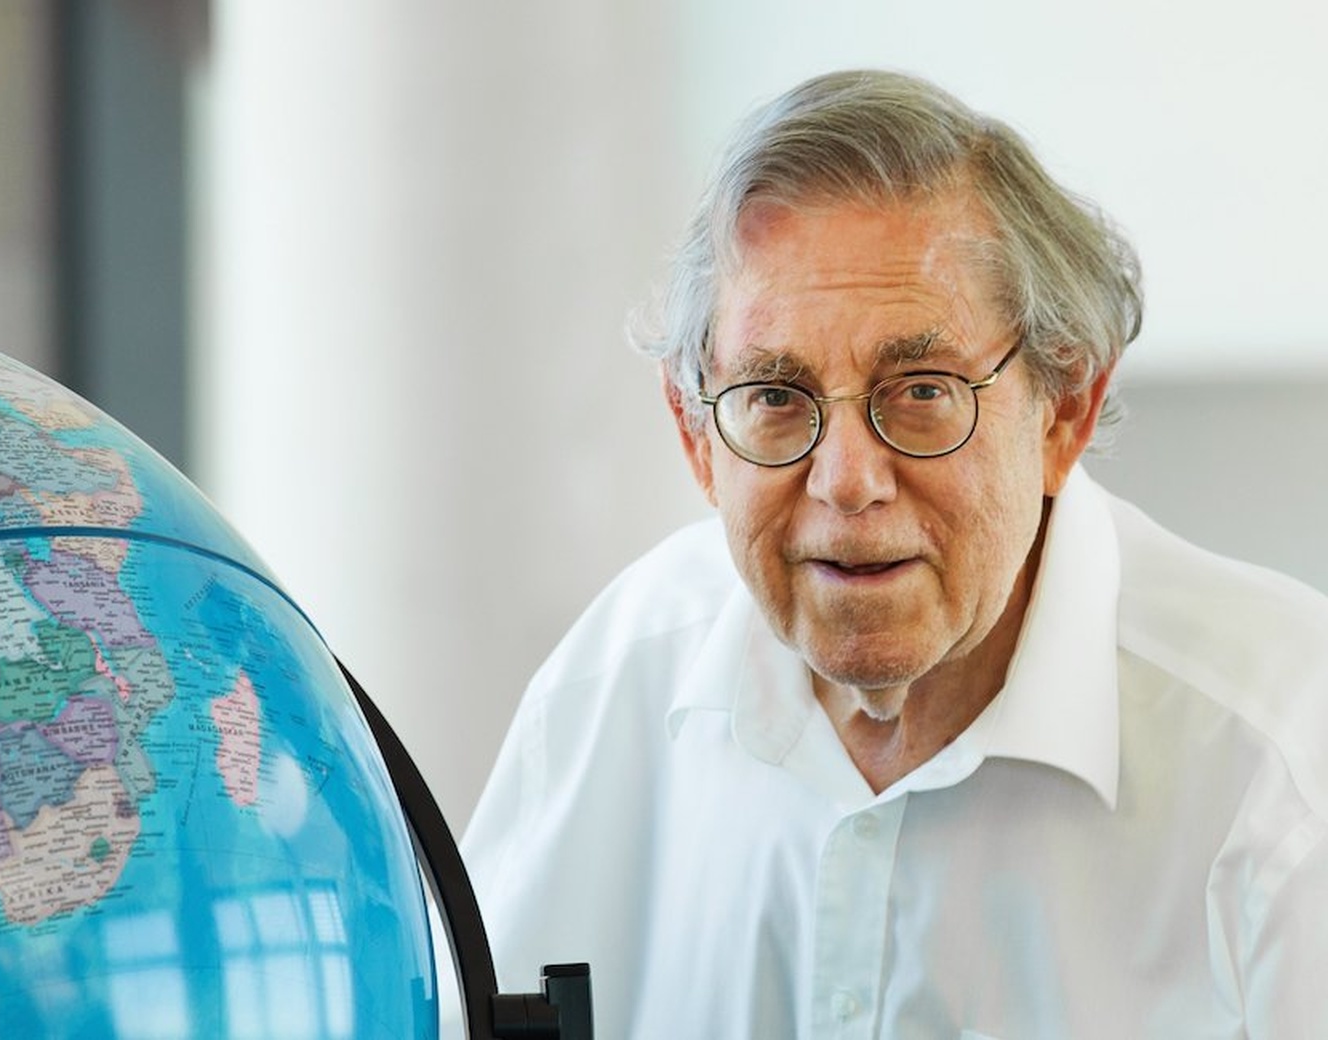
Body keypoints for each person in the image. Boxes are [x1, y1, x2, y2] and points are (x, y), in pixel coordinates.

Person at [458, 69, 1328, 1037]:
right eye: (775, 397)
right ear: (695, 435)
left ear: (1064, 407)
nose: (846, 481)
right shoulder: (612, 685)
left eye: (920, 389)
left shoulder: (1283, 757)